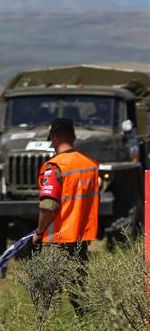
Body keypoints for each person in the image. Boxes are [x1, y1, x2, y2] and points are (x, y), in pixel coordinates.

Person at [32, 117, 100, 312]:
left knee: (49, 295)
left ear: (54, 138)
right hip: (80, 240)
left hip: (57, 240)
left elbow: (48, 206)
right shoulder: (90, 165)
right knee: (79, 293)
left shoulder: (54, 167)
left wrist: (39, 232)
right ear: (74, 136)